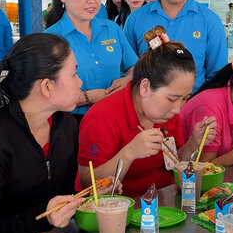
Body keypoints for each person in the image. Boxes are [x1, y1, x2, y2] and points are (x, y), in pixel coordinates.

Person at [0, 33, 118, 233]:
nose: (80, 82)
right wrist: (44, 217)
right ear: (47, 86)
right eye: (74, 74)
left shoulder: (66, 124)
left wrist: (89, 196)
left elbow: (61, 196)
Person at [79, 31, 217, 198]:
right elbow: (88, 183)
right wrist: (129, 153)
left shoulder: (167, 114)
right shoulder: (103, 116)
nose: (178, 109)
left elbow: (174, 162)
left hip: (165, 199)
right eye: (172, 99)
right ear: (145, 87)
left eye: (185, 99)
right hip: (124, 205)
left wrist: (194, 142)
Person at [124, 0, 228, 93]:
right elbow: (127, 71)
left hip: (194, 104)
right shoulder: (135, 20)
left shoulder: (210, 21)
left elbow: (218, 78)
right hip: (146, 104)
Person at [44, 0, 138, 122]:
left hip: (116, 115)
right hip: (71, 121)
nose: (93, 0)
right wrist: (87, 97)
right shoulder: (50, 39)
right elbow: (46, 92)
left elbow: (134, 66)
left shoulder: (111, 29)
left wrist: (127, 80)